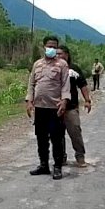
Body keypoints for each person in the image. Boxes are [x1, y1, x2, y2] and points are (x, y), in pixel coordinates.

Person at [26, 35, 70, 180]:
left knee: (56, 138)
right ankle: (43, 165)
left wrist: (64, 101)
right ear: (44, 46)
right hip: (40, 107)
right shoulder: (37, 64)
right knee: (41, 137)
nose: (51, 49)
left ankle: (57, 166)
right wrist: (29, 101)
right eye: (49, 46)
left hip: (55, 108)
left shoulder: (62, 64)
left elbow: (65, 85)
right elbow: (31, 84)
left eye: (54, 46)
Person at [56, 45, 92, 167]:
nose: (58, 56)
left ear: (67, 54)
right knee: (57, 134)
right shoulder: (53, 68)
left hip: (71, 107)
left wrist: (87, 100)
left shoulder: (74, 69)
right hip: (55, 107)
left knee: (75, 131)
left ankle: (80, 156)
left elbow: (83, 85)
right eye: (56, 54)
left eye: (60, 53)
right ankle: (61, 157)